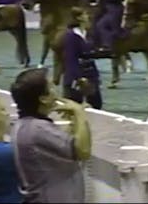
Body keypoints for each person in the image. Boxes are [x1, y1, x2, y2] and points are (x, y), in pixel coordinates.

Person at [10, 68, 92, 203]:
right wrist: (79, 113)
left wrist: (74, 122)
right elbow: (82, 151)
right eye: (51, 88)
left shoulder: (23, 125)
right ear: (43, 99)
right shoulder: (38, 129)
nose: (56, 92)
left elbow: (61, 145)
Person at [62, 7, 103, 109]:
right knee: (74, 104)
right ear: (79, 18)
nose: (87, 17)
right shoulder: (71, 36)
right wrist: (78, 77)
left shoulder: (88, 34)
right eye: (85, 14)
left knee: (96, 104)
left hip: (91, 73)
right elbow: (71, 58)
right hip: (78, 75)